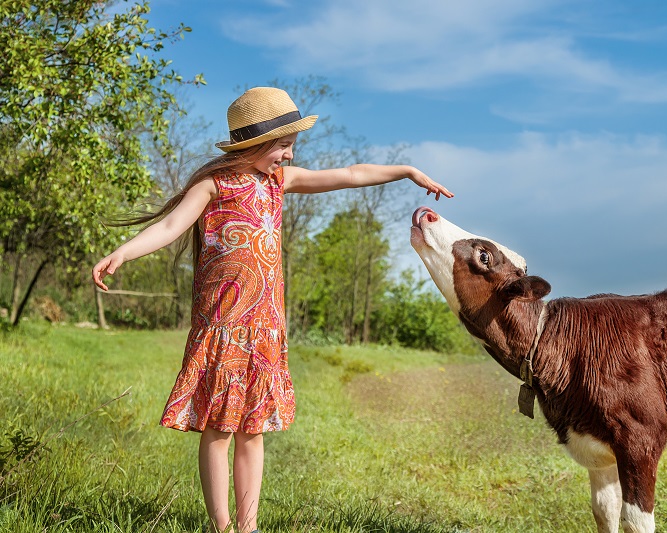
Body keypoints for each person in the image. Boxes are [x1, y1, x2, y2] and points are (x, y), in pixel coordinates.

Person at [91, 87, 453, 533]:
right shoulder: (214, 183)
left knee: (253, 429)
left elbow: (353, 174)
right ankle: (221, 526)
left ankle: (248, 526)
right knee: (219, 429)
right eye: (283, 145)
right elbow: (169, 226)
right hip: (223, 325)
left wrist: (407, 171)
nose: (288, 154)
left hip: (264, 326)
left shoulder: (279, 182)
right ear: (254, 143)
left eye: (290, 146)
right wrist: (123, 253)